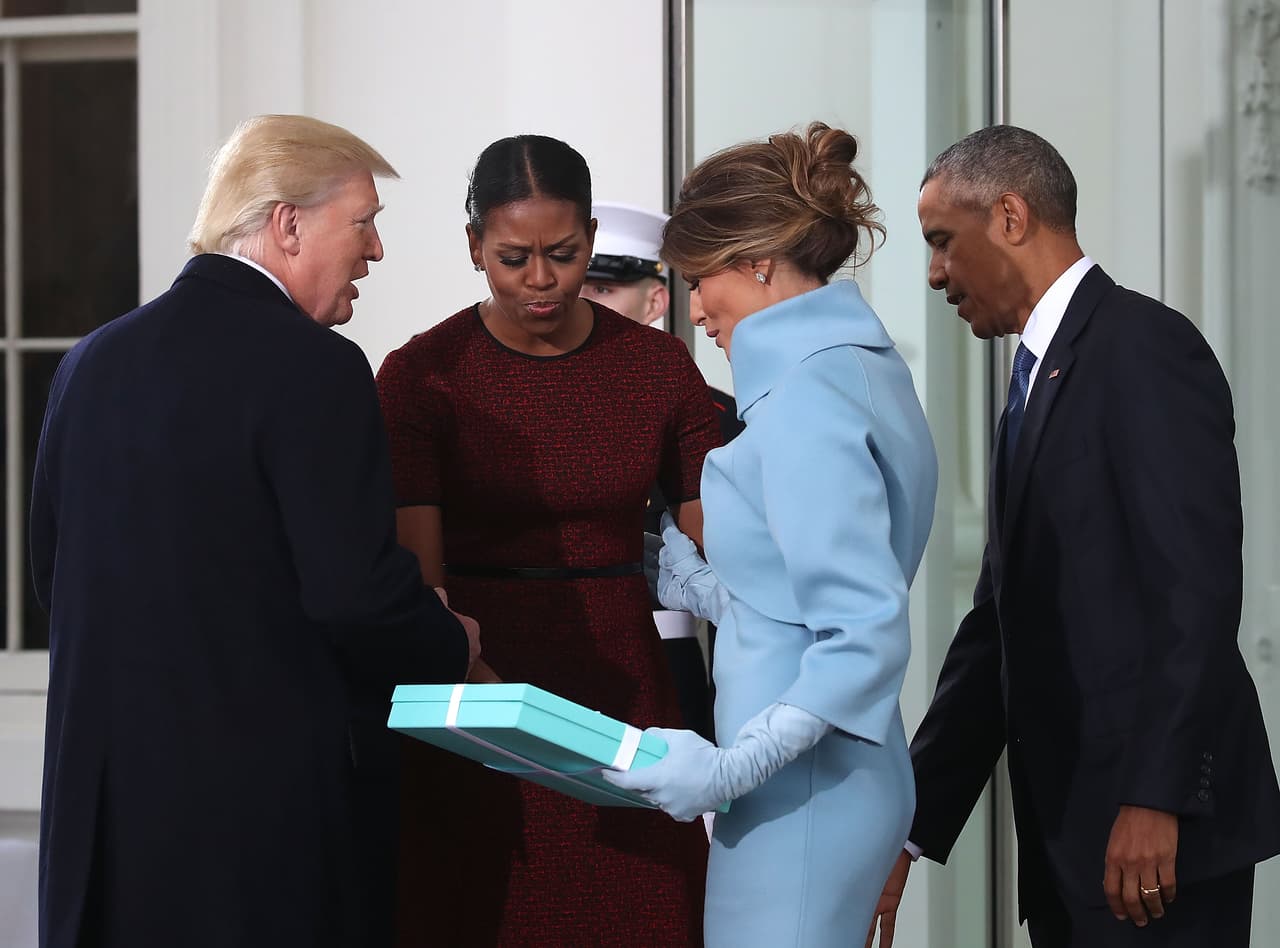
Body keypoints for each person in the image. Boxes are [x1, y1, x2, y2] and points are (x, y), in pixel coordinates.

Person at [28, 114, 480, 948]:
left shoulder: (87, 364)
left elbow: (54, 578)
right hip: (253, 829)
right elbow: (353, 596)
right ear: (287, 222)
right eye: (365, 221)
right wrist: (449, 643)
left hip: (109, 822)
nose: (375, 251)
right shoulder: (316, 367)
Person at [867, 125, 1280, 948]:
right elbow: (997, 632)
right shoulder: (1034, 382)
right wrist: (909, 827)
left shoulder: (1143, 348)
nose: (935, 273)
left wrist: (1156, 798)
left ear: (1011, 217)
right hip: (1074, 849)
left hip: (1155, 846)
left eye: (943, 241)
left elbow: (1193, 595)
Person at [375, 134, 715, 946]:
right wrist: (505, 721)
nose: (539, 280)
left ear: (593, 240)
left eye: (562, 255)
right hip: (475, 688)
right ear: (472, 248)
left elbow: (724, 548)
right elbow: (422, 588)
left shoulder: (659, 369)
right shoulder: (424, 375)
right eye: (512, 257)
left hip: (625, 687)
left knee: (647, 915)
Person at [604, 122, 938, 947]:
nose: (692, 307)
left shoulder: (805, 399)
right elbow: (805, 602)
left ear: (755, 262)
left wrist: (726, 771)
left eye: (698, 279)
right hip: (825, 779)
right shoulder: (851, 366)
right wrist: (697, 585)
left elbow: (862, 633)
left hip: (804, 792)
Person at [581, 201, 744, 739]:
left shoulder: (718, 420)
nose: (580, 301)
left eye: (602, 289)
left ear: (655, 299)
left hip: (667, 661)